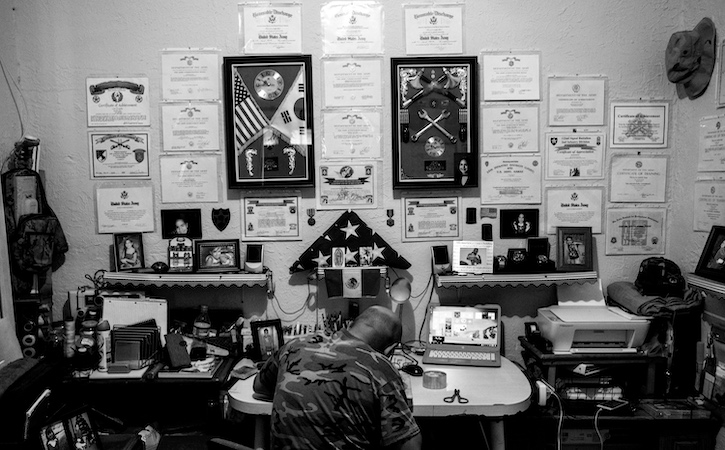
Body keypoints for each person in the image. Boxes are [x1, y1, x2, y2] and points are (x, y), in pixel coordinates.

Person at [253, 306, 422, 450]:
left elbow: (259, 386)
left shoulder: (294, 345)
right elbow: (410, 446)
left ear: (351, 325)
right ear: (390, 350)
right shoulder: (381, 367)